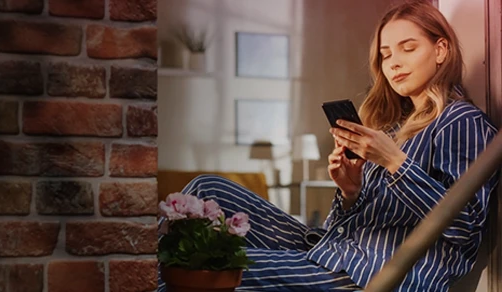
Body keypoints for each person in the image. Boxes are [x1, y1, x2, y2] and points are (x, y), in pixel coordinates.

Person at [157, 2, 499, 291]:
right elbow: (355, 222)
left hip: (373, 273)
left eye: (408, 48)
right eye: (385, 54)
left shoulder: (460, 122)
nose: (393, 62)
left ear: (440, 50)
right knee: (207, 188)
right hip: (335, 248)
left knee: (200, 267)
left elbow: (465, 228)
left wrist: (395, 161)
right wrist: (350, 192)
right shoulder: (394, 128)